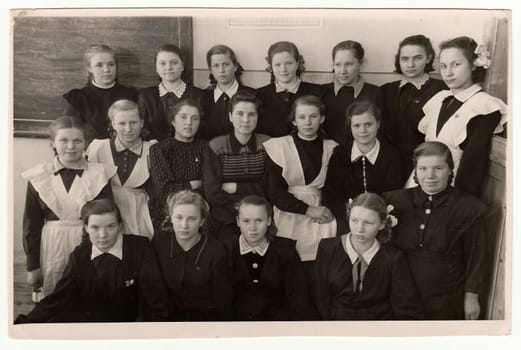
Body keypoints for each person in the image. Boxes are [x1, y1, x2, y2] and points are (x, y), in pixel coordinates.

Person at [15, 199, 170, 323]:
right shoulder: (79, 257)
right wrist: (26, 323)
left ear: (120, 226)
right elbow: (57, 299)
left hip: (131, 326)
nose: (103, 235)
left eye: (110, 226)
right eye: (95, 227)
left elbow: (156, 300)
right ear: (86, 228)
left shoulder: (140, 248)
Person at [383, 141, 487, 320]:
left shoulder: (469, 207)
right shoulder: (394, 200)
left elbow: (478, 255)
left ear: (450, 170)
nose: (429, 175)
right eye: (423, 169)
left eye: (438, 168)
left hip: (446, 296)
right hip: (400, 292)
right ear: (415, 171)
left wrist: (472, 296)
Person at [22, 116, 116, 298]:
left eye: (77, 141)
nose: (71, 147)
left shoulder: (99, 175)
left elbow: (107, 219)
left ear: (85, 143)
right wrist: (32, 265)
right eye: (63, 140)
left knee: (87, 297)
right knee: (54, 298)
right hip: (51, 244)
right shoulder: (39, 176)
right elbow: (31, 224)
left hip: (90, 243)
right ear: (53, 144)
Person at [410, 36, 507, 197]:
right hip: (423, 181)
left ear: (473, 65)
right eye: (443, 66)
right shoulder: (441, 99)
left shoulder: (484, 106)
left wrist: (458, 202)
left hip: (454, 188)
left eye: (456, 64)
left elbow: (474, 163)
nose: (448, 72)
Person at [314, 192, 424, 320]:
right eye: (354, 220)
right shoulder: (328, 248)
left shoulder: (393, 258)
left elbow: (406, 306)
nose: (359, 229)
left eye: (369, 223)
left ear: (382, 224)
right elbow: (319, 296)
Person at [264, 95, 337, 263]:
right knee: (290, 261)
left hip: (322, 212)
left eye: (313, 116)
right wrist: (307, 210)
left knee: (321, 261)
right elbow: (274, 192)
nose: (308, 122)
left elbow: (335, 187)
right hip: (288, 212)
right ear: (294, 121)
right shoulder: (279, 146)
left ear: (322, 118)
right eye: (302, 117)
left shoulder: (331, 147)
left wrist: (323, 209)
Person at [223, 195, 309, 321]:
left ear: (269, 220)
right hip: (239, 325)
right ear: (237, 221)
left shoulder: (286, 250)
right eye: (246, 221)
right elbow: (223, 299)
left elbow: (298, 297)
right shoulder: (227, 250)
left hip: (278, 324)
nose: (252, 227)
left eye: (259, 220)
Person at [151, 190, 233, 321]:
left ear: (202, 221)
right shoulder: (159, 243)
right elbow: (153, 292)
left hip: (204, 322)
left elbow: (222, 300)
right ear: (171, 217)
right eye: (179, 217)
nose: (184, 225)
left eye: (192, 219)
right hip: (166, 321)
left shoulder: (216, 250)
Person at [323, 101, 403, 235]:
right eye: (357, 125)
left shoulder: (391, 155)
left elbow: (394, 194)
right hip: (347, 221)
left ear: (378, 124)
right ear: (350, 127)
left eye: (368, 124)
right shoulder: (340, 154)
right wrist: (350, 218)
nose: (362, 130)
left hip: (381, 222)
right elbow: (332, 193)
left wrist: (377, 219)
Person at [203, 90, 270, 240]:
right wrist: (242, 207)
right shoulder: (215, 146)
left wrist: (237, 187)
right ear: (230, 117)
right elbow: (212, 191)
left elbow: (269, 186)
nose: (245, 120)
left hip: (261, 219)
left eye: (252, 114)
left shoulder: (268, 144)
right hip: (225, 219)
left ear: (258, 117)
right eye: (240, 113)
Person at [381, 34, 447, 181]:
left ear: (428, 58)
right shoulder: (386, 91)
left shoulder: (442, 90)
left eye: (417, 58)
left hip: (427, 164)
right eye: (404, 59)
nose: (410, 64)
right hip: (391, 163)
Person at [86, 100, 156, 239]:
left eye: (133, 122)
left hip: (140, 216)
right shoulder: (98, 148)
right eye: (122, 123)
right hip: (105, 218)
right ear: (113, 124)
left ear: (141, 123)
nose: (128, 129)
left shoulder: (152, 149)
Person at [149, 99, 207, 231]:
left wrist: (179, 185)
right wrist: (193, 184)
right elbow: (164, 192)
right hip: (167, 216)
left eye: (195, 118)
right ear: (173, 121)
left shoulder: (206, 148)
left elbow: (209, 186)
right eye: (183, 117)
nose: (189, 123)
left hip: (200, 215)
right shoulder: (159, 149)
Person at [63, 44, 138, 139]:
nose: (106, 70)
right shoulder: (79, 98)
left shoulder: (131, 95)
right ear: (89, 68)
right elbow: (69, 133)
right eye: (99, 65)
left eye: (111, 64)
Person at [322, 40, 384, 144]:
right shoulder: (322, 91)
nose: (342, 71)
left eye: (349, 64)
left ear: (361, 64)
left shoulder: (375, 93)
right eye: (337, 64)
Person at [256, 41, 324, 137]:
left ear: (297, 64)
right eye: (277, 65)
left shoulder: (317, 92)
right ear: (271, 67)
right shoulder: (259, 95)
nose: (283, 69)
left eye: (289, 63)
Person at [138, 44, 203, 141]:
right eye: (163, 63)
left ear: (182, 66)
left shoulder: (198, 95)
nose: (168, 67)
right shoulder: (145, 95)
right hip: (153, 150)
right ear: (156, 68)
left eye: (174, 63)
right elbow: (141, 127)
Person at [200, 44, 256, 140]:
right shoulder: (203, 97)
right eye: (216, 66)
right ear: (211, 70)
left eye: (226, 65)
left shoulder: (252, 95)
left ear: (235, 66)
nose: (221, 70)